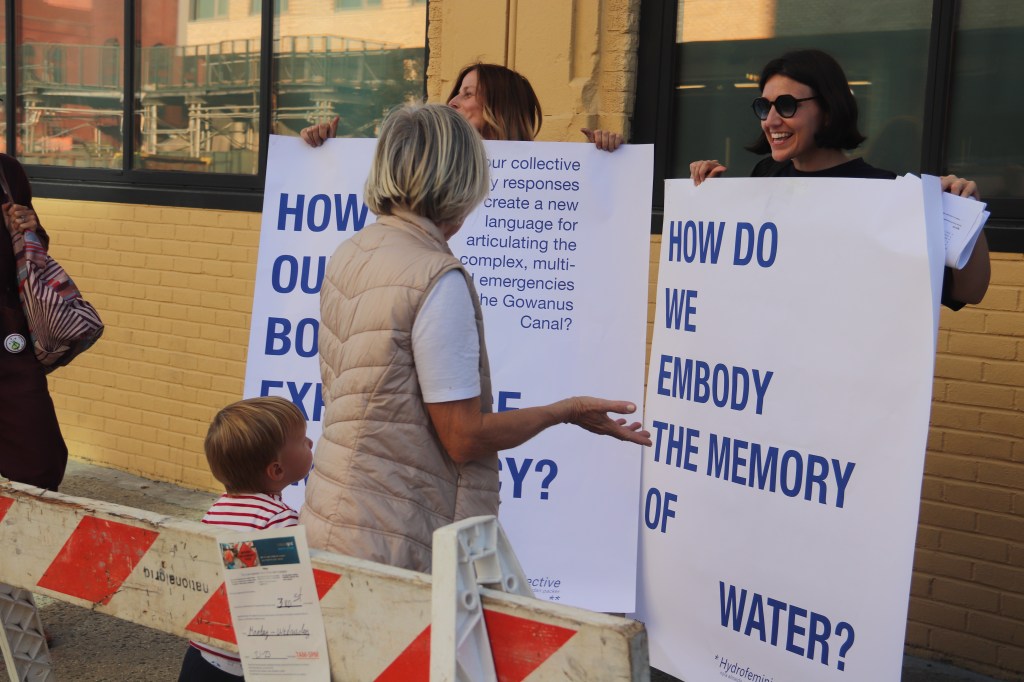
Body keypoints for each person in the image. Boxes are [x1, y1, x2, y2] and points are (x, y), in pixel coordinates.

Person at [300, 103, 651, 573]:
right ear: (459, 182)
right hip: (395, 532)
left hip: (337, 511)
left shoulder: (354, 249)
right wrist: (563, 412)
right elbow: (464, 438)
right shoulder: (434, 277)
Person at [689, 49, 990, 309]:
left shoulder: (883, 192)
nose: (770, 120)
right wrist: (710, 194)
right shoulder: (766, 174)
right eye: (763, 107)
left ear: (829, 111)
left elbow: (967, 291)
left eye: (786, 105)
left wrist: (964, 213)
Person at [178, 396, 313, 682]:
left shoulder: (216, 510)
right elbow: (292, 594)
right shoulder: (279, 520)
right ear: (277, 470)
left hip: (204, 654)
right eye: (302, 441)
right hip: (251, 662)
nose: (310, 443)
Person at [300, 62, 624, 150]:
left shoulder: (546, 176)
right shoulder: (430, 159)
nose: (452, 101)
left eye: (468, 94)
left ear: (502, 106)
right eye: (457, 92)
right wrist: (325, 154)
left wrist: (607, 162)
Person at [0, 153, 68, 491]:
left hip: (8, 335)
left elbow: (32, 249)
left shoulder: (7, 171)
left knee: (40, 459)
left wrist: (29, 227)